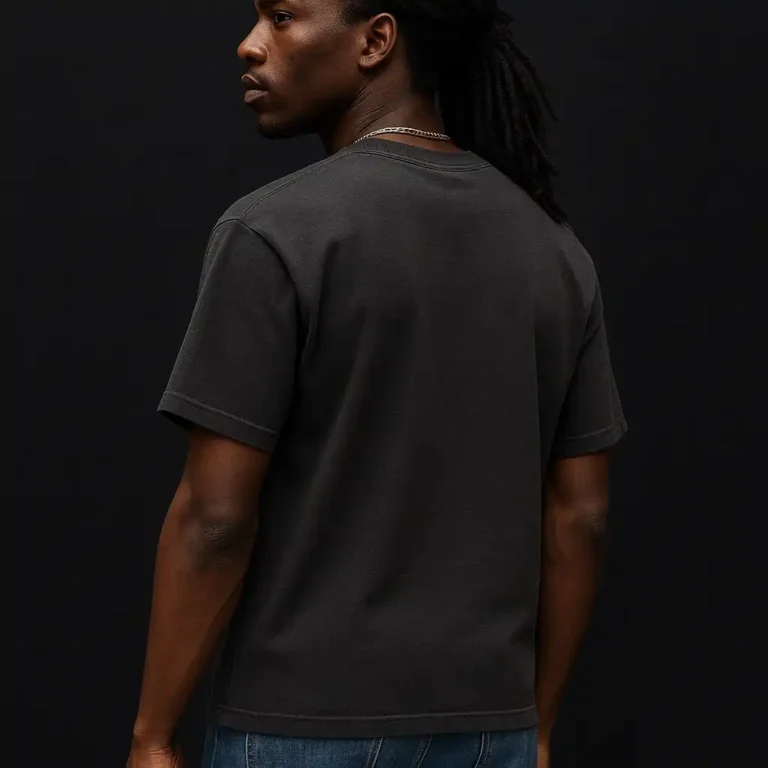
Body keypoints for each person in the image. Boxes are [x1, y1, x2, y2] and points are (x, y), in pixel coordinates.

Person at [126, 0, 628, 766]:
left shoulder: (273, 234)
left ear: (376, 40)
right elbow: (581, 517)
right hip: (490, 725)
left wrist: (153, 735)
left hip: (302, 726)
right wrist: (538, 727)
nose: (250, 45)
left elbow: (216, 519)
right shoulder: (555, 251)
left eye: (282, 16)